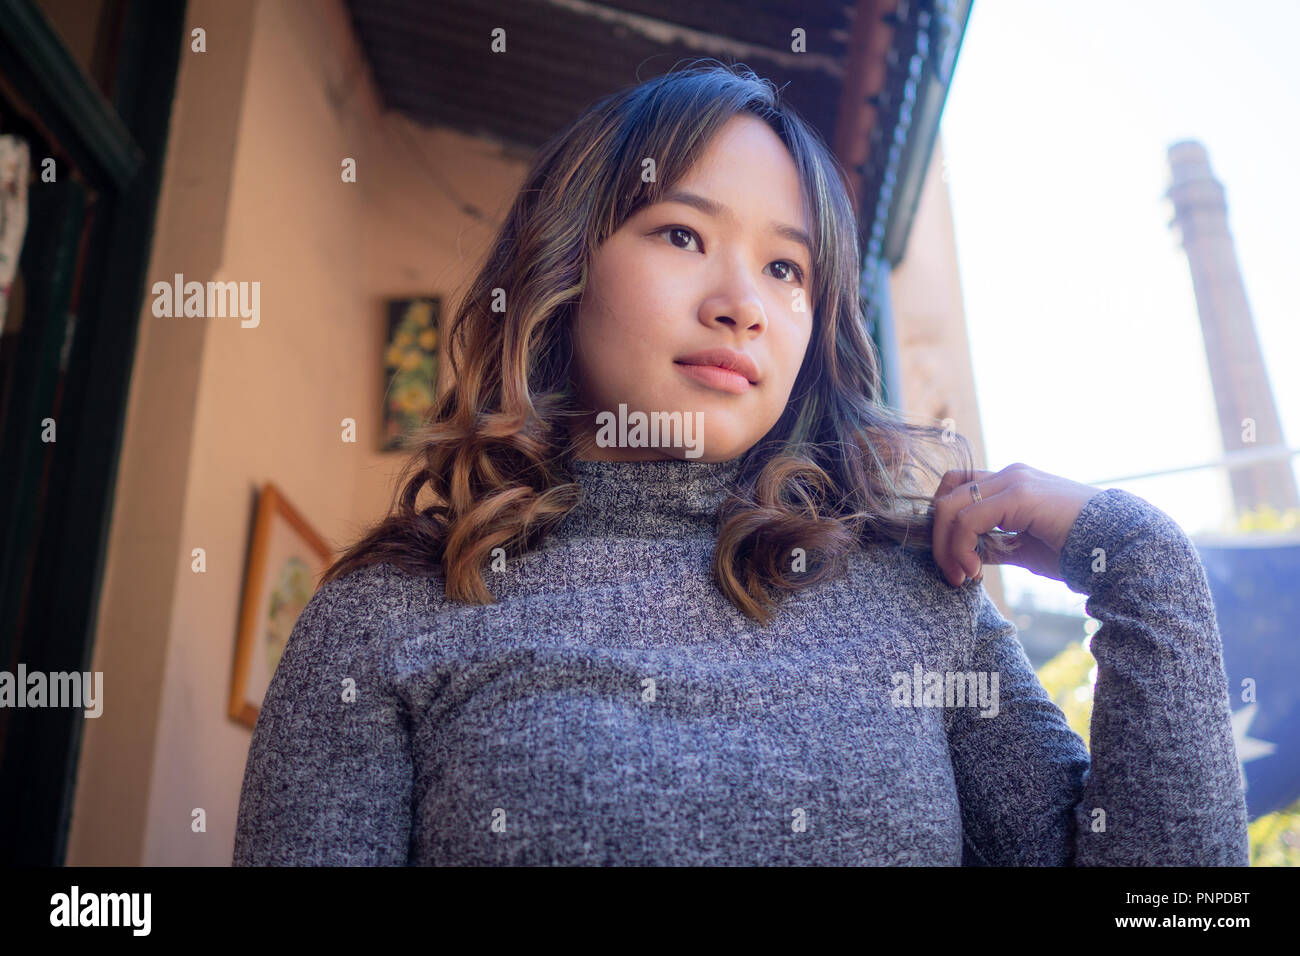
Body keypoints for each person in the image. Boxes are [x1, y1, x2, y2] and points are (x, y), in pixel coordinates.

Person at [232, 61, 1249, 866]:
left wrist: (1136, 558)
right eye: (681, 232)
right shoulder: (387, 618)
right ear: (565, 266)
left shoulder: (919, 604)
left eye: (785, 266)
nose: (742, 302)